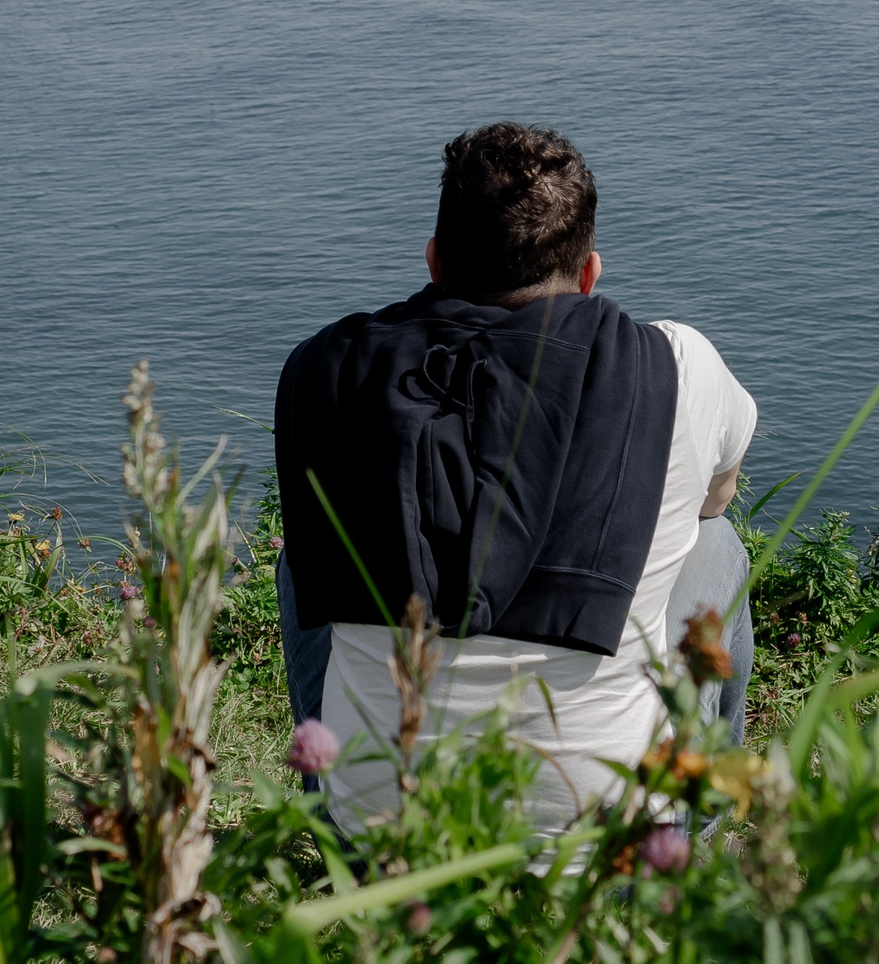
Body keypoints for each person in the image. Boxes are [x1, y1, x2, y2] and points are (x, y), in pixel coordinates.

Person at [272, 122, 757, 834]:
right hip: (611, 845)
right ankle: (709, 812)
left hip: (376, 837)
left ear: (435, 261)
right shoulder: (673, 364)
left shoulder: (324, 368)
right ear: (588, 275)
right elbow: (719, 494)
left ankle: (333, 771)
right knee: (714, 542)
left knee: (300, 560)